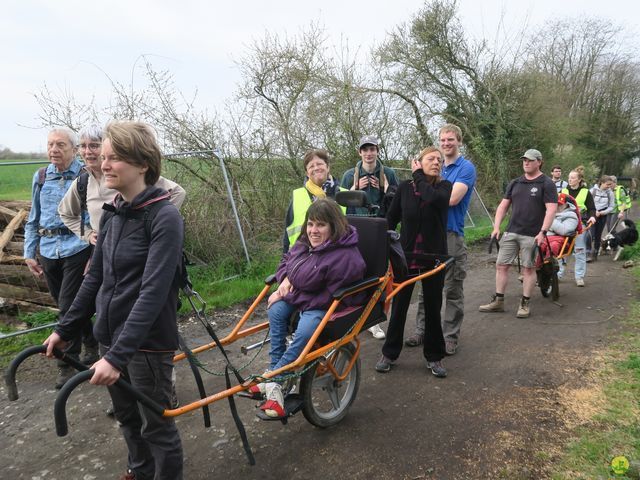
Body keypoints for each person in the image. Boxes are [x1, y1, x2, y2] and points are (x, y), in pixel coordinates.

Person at [44, 121, 184, 480]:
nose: (104, 164)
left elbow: (152, 294)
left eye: (115, 157)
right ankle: (139, 471)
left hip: (147, 346)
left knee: (157, 427)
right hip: (110, 337)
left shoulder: (164, 217)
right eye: (103, 156)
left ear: (143, 164)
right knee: (127, 419)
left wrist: (118, 356)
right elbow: (94, 280)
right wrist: (66, 329)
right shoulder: (115, 212)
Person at [260, 198, 366, 418]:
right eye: (310, 224)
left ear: (333, 226)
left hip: (323, 304)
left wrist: (297, 297)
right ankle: (276, 373)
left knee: (306, 329)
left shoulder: (345, 257)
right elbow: (286, 261)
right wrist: (285, 279)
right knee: (276, 310)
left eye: (320, 225)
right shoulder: (304, 243)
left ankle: (274, 378)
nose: (313, 230)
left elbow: (328, 294)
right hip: (302, 296)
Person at [23, 127, 97, 389]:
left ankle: (68, 364)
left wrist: (92, 253)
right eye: (50, 144)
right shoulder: (42, 176)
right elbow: (34, 217)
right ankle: (92, 343)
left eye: (60, 145)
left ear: (73, 149)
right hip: (47, 250)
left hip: (76, 247)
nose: (54, 149)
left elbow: (92, 218)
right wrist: (29, 252)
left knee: (67, 306)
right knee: (69, 305)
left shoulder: (85, 175)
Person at [375, 146, 452, 378]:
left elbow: (432, 198)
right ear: (419, 161)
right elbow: (392, 218)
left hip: (434, 258)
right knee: (399, 306)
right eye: (431, 159)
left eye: (439, 160)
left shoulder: (444, 188)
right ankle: (389, 353)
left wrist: (418, 175)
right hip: (406, 257)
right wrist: (383, 241)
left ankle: (434, 357)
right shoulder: (405, 189)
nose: (437, 162)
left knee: (432, 307)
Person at [405, 124, 476, 355]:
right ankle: (421, 329)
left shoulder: (465, 168)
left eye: (450, 140)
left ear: (459, 142)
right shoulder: (435, 164)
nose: (446, 144)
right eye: (442, 140)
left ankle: (450, 336)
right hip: (428, 235)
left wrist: (423, 183)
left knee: (453, 287)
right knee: (427, 286)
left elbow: (451, 200)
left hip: (451, 234)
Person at [59, 124, 186, 245]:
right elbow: (65, 213)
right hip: (103, 249)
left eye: (94, 145)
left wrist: (153, 226)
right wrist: (86, 235)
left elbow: (177, 192)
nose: (87, 151)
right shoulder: (82, 182)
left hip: (134, 249)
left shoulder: (124, 175)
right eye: (83, 146)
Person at [479, 149, 557, 318]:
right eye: (524, 160)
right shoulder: (515, 182)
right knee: (501, 265)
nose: (526, 163)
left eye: (530, 160)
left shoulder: (547, 183)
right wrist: (496, 227)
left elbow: (551, 210)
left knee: (529, 269)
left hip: (532, 234)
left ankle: (525, 303)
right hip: (511, 231)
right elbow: (503, 206)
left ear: (539, 162)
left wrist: (543, 232)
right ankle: (498, 301)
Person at [340, 136, 399, 339]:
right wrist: (354, 188)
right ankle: (356, 316)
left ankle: (376, 320)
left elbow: (396, 202)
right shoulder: (349, 175)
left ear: (377, 150)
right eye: (365, 149)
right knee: (356, 274)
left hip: (380, 230)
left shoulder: (388, 173)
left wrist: (385, 188)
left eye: (372, 149)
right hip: (355, 231)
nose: (368, 153)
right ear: (359, 152)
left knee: (381, 276)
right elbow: (341, 204)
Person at [559, 166, 596, 286]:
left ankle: (579, 276)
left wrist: (592, 216)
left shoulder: (586, 192)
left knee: (579, 250)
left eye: (573, 178)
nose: (570, 180)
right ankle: (558, 273)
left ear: (579, 179)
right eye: (569, 177)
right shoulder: (563, 192)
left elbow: (591, 208)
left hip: (580, 224)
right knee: (561, 249)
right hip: (564, 224)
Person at [536, 192, 580, 264]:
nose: (557, 206)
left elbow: (564, 230)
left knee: (553, 245)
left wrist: (549, 219)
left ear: (567, 204)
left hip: (562, 241)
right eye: (555, 204)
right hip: (545, 238)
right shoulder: (546, 212)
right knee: (537, 245)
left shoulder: (572, 216)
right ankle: (535, 267)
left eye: (560, 204)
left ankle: (549, 265)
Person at [589, 175, 615, 261]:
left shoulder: (610, 193)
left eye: (610, 184)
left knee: (597, 235)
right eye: (608, 184)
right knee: (590, 235)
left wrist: (602, 212)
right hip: (592, 215)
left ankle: (595, 254)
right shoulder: (592, 191)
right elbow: (587, 204)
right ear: (602, 183)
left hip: (602, 216)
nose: (609, 186)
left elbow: (611, 207)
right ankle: (588, 253)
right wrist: (593, 212)